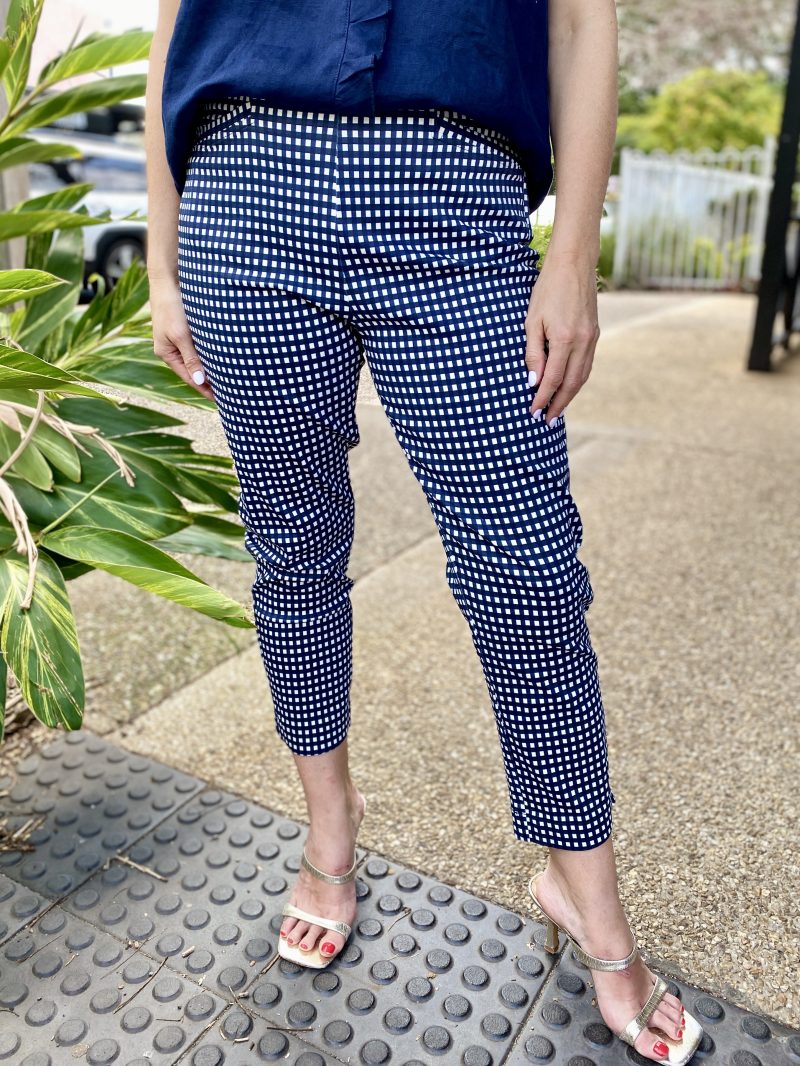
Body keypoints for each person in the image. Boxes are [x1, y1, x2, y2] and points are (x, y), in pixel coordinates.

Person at [145, 1, 703, 1061]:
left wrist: (573, 253)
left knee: (529, 577)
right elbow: (174, 21)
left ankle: (586, 893)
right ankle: (329, 832)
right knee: (294, 558)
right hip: (243, 188)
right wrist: (163, 260)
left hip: (455, 188)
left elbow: (580, 19)